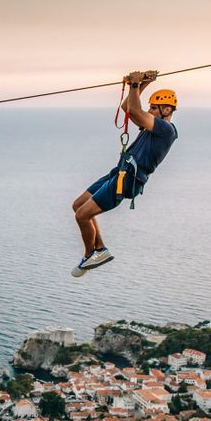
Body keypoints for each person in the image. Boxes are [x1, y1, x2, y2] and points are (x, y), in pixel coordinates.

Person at [70, 71, 178, 277]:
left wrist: (136, 86)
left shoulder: (165, 129)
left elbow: (136, 113)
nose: (150, 111)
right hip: (119, 171)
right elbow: (128, 108)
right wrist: (140, 84)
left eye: (154, 108)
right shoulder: (153, 127)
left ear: (166, 109)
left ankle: (90, 254)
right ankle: (100, 249)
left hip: (128, 179)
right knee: (77, 205)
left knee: (82, 215)